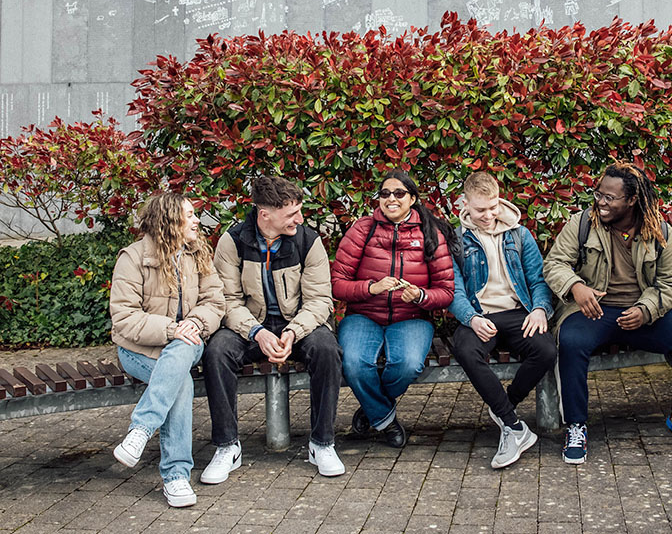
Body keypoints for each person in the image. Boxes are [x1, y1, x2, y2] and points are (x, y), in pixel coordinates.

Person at [543, 161, 672, 464]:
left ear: (632, 200)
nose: (602, 202)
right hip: (593, 310)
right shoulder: (582, 224)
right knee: (571, 343)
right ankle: (576, 425)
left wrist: (646, 309)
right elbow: (554, 264)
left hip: (642, 312)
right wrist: (576, 288)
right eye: (599, 194)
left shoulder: (659, 231)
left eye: (610, 197)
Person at [201, 176, 344, 481]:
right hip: (249, 324)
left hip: (298, 322)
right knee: (216, 351)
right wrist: (256, 332)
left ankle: (322, 443)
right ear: (265, 214)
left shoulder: (308, 241)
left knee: (327, 348)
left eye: (299, 212)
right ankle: (227, 446)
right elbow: (225, 300)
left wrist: (293, 331)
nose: (300, 219)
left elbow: (320, 300)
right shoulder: (234, 241)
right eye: (292, 214)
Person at [110, 192, 225, 507]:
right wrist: (171, 329)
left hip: (188, 344)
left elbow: (215, 302)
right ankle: (176, 476)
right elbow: (124, 317)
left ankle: (141, 430)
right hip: (139, 350)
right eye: (190, 215)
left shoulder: (197, 253)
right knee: (182, 382)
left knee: (182, 349)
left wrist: (195, 324)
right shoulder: (133, 258)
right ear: (169, 220)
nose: (197, 220)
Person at [331, 170, 455, 447]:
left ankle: (369, 411)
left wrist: (421, 296)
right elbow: (337, 285)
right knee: (354, 364)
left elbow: (446, 292)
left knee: (408, 365)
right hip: (363, 315)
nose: (391, 199)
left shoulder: (430, 233)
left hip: (411, 317)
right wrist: (370, 288)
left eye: (399, 193)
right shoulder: (362, 229)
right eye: (385, 193)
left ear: (412, 198)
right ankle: (385, 420)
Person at [448, 171, 557, 468]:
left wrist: (539, 309)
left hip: (518, 312)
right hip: (480, 314)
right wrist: (470, 318)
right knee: (466, 350)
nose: (488, 215)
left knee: (546, 350)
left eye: (493, 206)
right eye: (480, 209)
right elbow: (454, 288)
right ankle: (514, 426)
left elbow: (538, 280)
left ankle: (504, 408)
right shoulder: (456, 239)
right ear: (465, 204)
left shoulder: (520, 234)